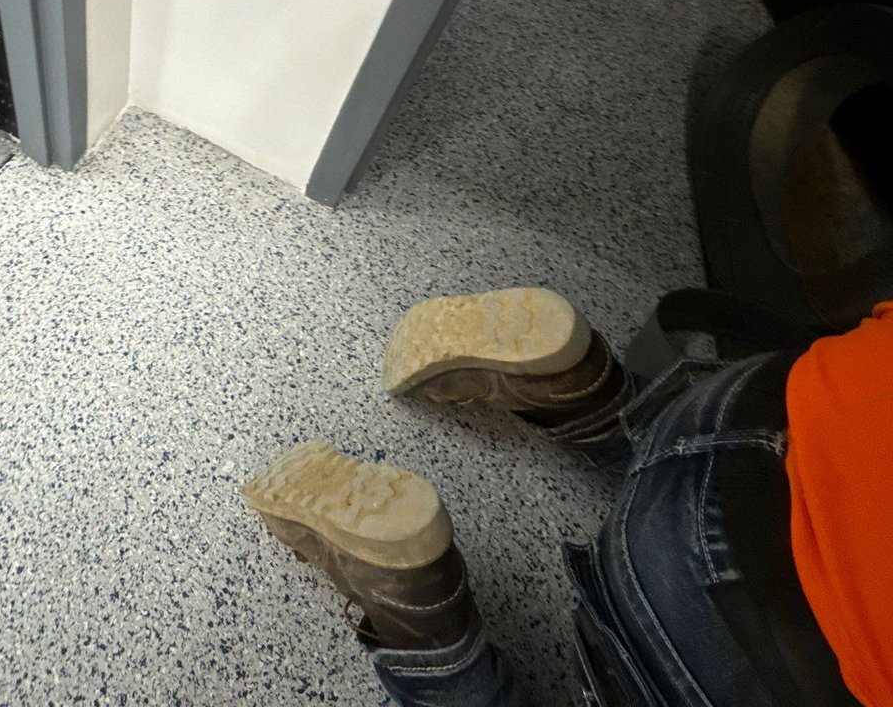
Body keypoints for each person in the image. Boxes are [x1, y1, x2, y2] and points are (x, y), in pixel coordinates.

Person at [242, 288, 891, 706]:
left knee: (765, 454)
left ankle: (587, 391)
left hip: (760, 408)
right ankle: (418, 612)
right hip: (725, 600)